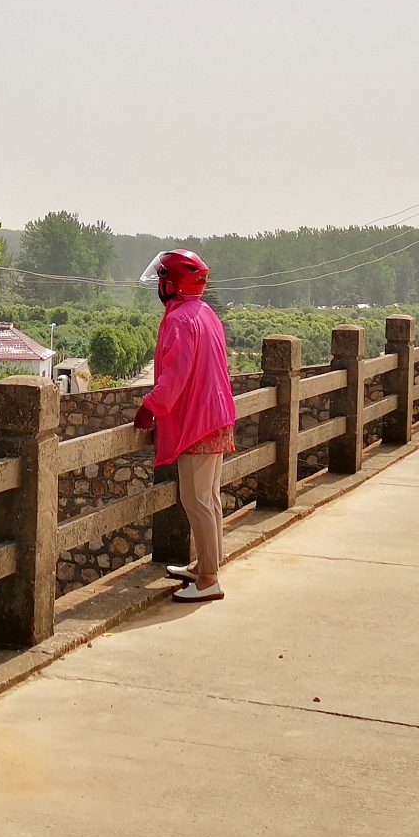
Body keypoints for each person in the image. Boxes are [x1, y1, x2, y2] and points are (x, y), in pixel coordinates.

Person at [133, 250, 237, 602]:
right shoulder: (206, 313)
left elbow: (175, 375)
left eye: (163, 280)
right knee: (208, 496)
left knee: (195, 498)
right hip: (216, 413)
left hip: (197, 420)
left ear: (171, 284)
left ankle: (209, 579)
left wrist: (150, 406)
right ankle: (207, 563)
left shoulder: (179, 320)